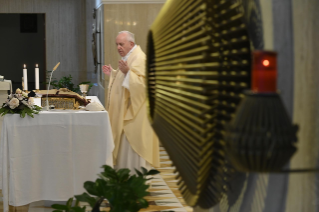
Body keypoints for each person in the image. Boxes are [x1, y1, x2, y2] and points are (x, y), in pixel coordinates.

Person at [103, 31, 160, 172]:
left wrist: (128, 72)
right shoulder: (131, 57)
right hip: (129, 111)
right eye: (116, 44)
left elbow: (145, 85)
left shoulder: (140, 58)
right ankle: (125, 175)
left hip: (137, 113)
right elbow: (126, 79)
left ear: (131, 44)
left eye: (121, 44)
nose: (118, 47)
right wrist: (114, 74)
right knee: (125, 145)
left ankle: (136, 179)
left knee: (135, 144)